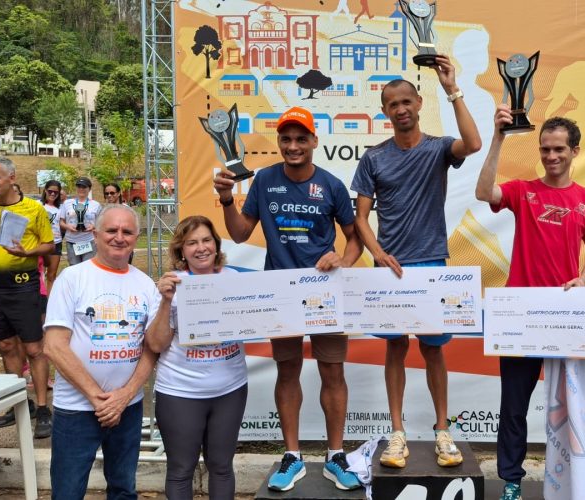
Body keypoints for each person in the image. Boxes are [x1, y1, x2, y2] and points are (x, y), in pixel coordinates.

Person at [214, 106, 363, 492]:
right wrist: (228, 200)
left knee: (333, 373)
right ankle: (293, 456)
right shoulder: (264, 180)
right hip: (280, 294)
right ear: (279, 142)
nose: (293, 146)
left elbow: (355, 237)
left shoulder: (331, 185)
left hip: (324, 293)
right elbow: (242, 233)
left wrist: (342, 260)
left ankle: (335, 455)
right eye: (286, 139)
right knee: (288, 371)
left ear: (314, 141)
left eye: (301, 138)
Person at [352, 58, 481, 470]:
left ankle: (443, 431)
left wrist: (453, 89)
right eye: (393, 103)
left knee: (433, 350)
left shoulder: (439, 147)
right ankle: (397, 434)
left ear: (419, 103)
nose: (401, 108)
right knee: (394, 348)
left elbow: (474, 143)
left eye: (407, 100)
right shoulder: (373, 158)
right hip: (390, 269)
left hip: (431, 264)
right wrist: (376, 251)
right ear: (385, 110)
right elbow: (360, 218)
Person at [475, 107, 585, 499]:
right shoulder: (522, 190)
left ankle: (573, 478)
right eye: (545, 149)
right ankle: (512, 481)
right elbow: (484, 192)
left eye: (559, 149)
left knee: (573, 405)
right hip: (521, 314)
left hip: (567, 316)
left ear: (575, 151)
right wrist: (498, 136)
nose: (551, 156)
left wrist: (582, 279)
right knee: (513, 408)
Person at [43, 204, 160, 500]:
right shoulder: (72, 278)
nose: (119, 237)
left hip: (128, 407)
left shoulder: (146, 285)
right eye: (111, 230)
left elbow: (152, 348)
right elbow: (54, 346)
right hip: (77, 409)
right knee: (67, 492)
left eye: (127, 231)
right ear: (95, 234)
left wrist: (124, 396)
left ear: (136, 237)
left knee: (123, 489)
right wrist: (98, 398)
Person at [146, 216, 248, 499]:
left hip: (230, 389)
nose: (200, 248)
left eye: (206, 240)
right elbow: (155, 343)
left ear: (216, 245)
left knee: (222, 467)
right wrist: (166, 300)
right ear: (181, 250)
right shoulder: (172, 285)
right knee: (180, 470)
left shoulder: (234, 279)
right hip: (180, 391)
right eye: (191, 243)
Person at [0, 157, 54, 438]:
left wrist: (27, 253)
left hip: (24, 286)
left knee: (35, 349)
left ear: (11, 178)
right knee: (5, 345)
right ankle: (17, 404)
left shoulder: (33, 209)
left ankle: (42, 408)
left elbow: (49, 244)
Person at [59, 176, 101, 265]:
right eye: (79, 186)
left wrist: (94, 226)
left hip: (89, 241)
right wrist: (67, 226)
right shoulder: (67, 203)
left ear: (89, 189)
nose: (81, 189)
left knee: (88, 267)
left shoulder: (96, 205)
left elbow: (101, 222)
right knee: (74, 268)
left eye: (84, 187)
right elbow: (61, 221)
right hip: (71, 241)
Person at [42, 179, 64, 293]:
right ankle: (39, 302)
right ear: (45, 190)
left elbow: (62, 223)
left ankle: (50, 301)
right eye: (50, 191)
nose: (52, 194)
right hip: (41, 243)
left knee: (51, 275)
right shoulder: (38, 205)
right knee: (39, 275)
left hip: (56, 243)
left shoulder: (61, 208)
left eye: (56, 192)